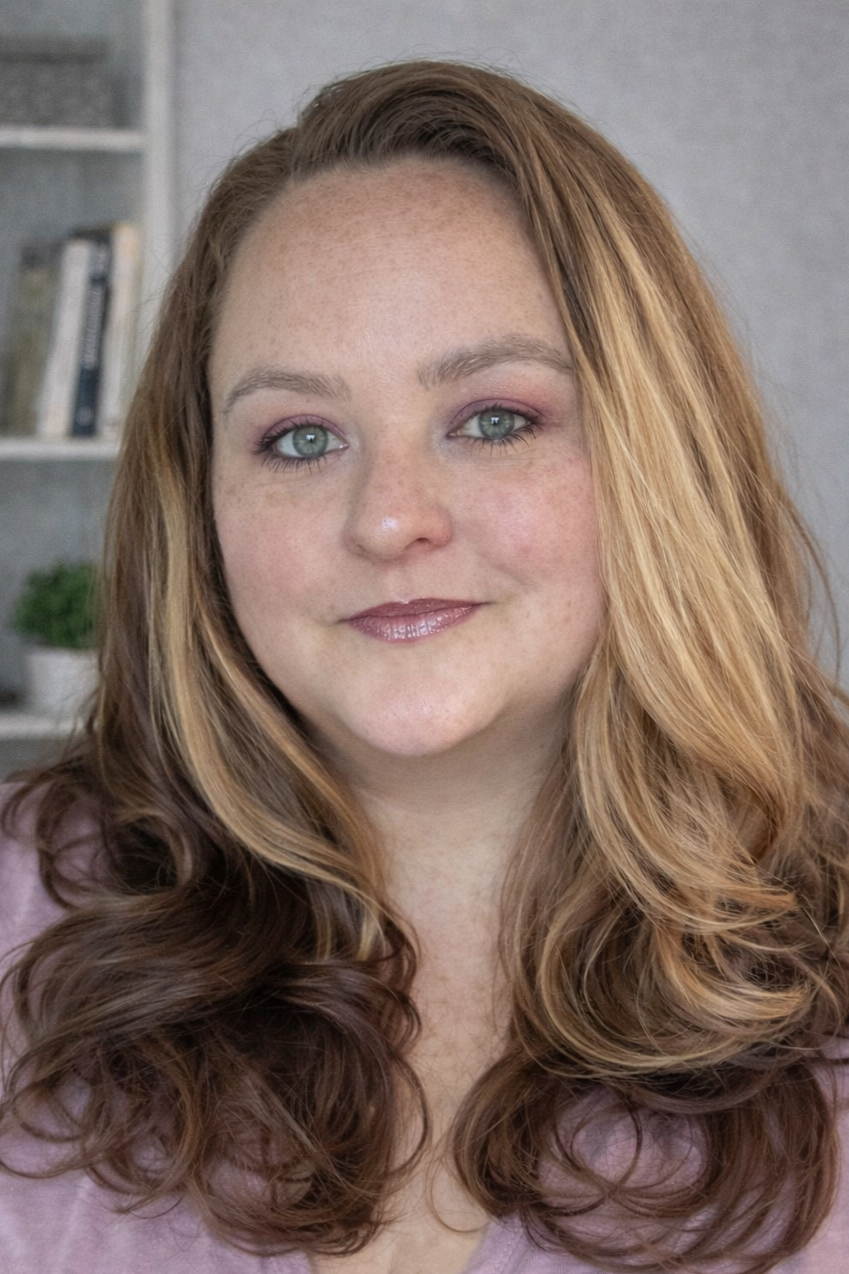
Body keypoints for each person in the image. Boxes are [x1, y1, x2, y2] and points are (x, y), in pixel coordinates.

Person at [1, 59, 848, 1274]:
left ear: (660, 455)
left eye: (495, 419)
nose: (390, 518)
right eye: (300, 436)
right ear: (201, 505)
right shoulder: (22, 920)